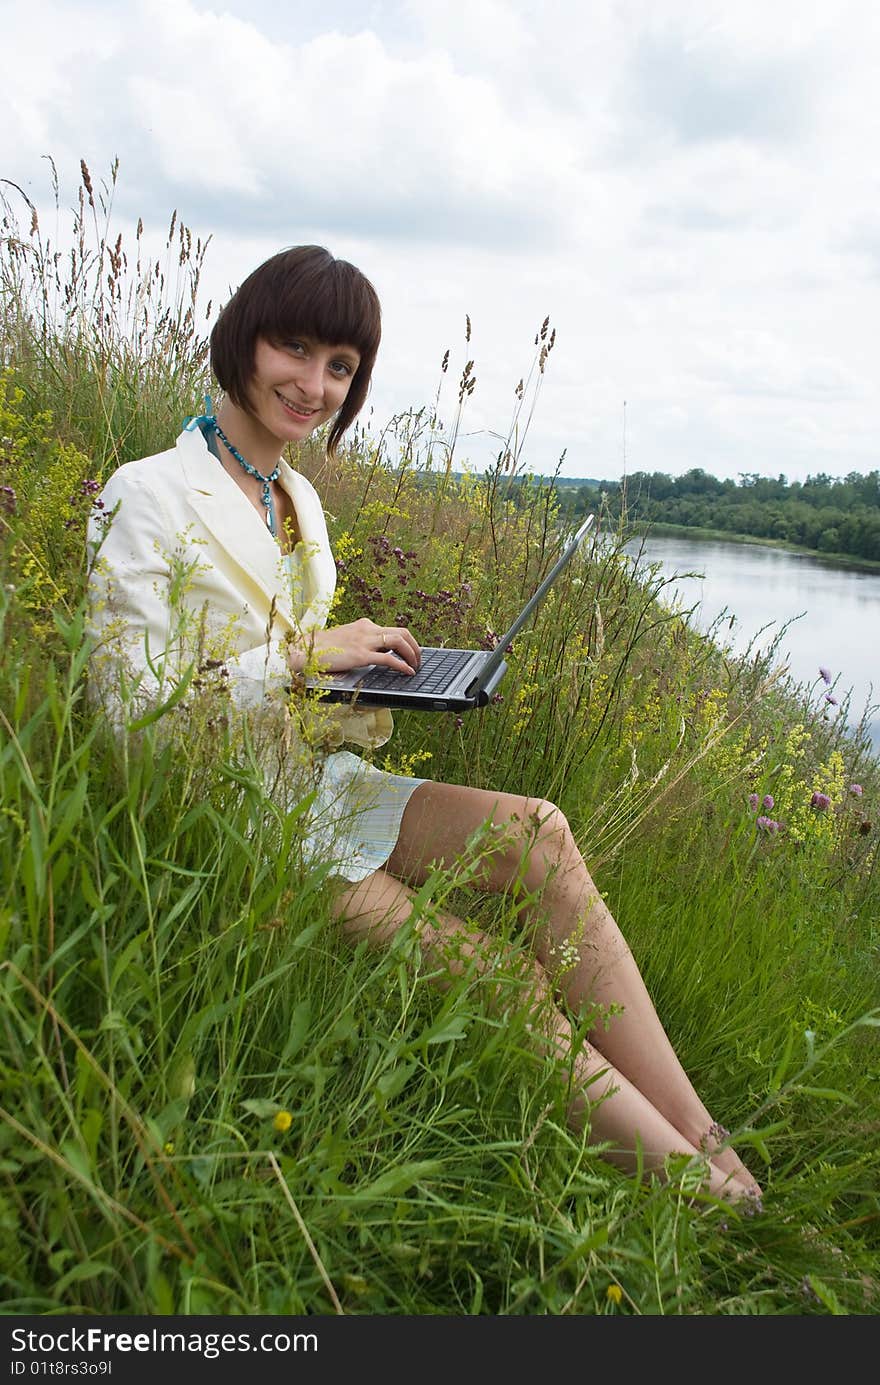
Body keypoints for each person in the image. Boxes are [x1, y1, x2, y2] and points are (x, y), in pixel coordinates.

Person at [87, 245, 762, 1209]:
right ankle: (712, 1205)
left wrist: (368, 682)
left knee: (540, 832)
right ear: (244, 336)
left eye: (342, 368)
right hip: (221, 818)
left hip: (303, 779)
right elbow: (123, 717)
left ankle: (708, 1142)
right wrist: (296, 659)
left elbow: (285, 683)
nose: (314, 384)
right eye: (295, 348)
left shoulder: (297, 500)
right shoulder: (145, 491)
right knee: (500, 977)